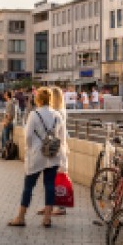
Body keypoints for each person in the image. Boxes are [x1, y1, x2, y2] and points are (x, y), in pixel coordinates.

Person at [7, 87, 67, 228]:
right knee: (50, 186)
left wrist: (30, 149)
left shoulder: (34, 115)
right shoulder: (57, 115)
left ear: (38, 99)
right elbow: (62, 137)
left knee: (28, 186)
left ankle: (21, 217)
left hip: (36, 155)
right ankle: (47, 218)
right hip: (53, 155)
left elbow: (27, 136)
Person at [47, 87, 70, 216]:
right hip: (58, 146)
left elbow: (55, 131)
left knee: (59, 178)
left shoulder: (58, 113)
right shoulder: (59, 111)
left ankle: (61, 207)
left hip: (57, 147)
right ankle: (49, 205)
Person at [0, 90, 17, 156]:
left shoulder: (10, 103)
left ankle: (5, 153)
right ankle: (4, 152)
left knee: (5, 139)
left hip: (8, 123)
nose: (4, 95)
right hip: (8, 122)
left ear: (7, 95)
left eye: (5, 94)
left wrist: (6, 122)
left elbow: (9, 115)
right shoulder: (9, 103)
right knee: (3, 138)